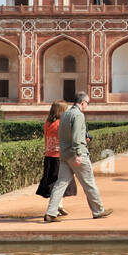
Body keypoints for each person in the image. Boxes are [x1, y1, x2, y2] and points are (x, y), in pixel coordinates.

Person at [45, 93, 112, 222]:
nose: (87, 106)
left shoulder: (65, 114)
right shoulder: (78, 115)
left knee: (60, 184)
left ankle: (51, 212)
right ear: (82, 102)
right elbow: (76, 137)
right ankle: (98, 211)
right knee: (89, 183)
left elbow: (63, 135)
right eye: (88, 103)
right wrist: (78, 153)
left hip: (64, 154)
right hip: (76, 154)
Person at [35, 99, 75, 215]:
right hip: (59, 157)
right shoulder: (60, 124)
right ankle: (55, 207)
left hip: (49, 156)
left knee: (54, 182)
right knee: (60, 183)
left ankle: (59, 205)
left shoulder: (47, 123)